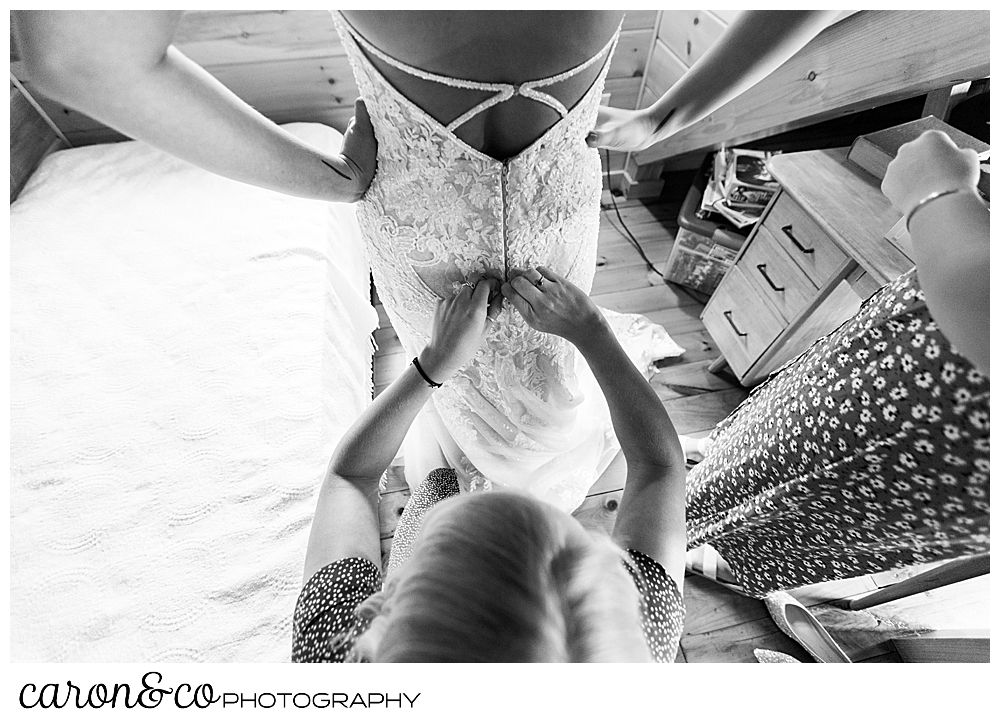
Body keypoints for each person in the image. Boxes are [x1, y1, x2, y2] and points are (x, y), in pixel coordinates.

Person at [13, 10, 838, 511]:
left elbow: (85, 58)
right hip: (532, 192)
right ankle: (500, 465)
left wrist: (327, 179)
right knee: (519, 363)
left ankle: (499, 470)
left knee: (495, 365)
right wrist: (669, 115)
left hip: (429, 204)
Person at [293, 270, 687, 662]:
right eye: (580, 547)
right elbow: (660, 465)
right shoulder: (625, 645)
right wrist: (593, 331)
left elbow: (350, 477)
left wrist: (433, 365)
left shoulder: (334, 654)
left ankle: (431, 510)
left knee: (436, 485)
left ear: (387, 610)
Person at [684, 130, 989, 598]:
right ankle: (724, 458)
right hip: (924, 335)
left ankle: (727, 545)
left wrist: (940, 195)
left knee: (833, 491)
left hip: (952, 413)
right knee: (797, 404)